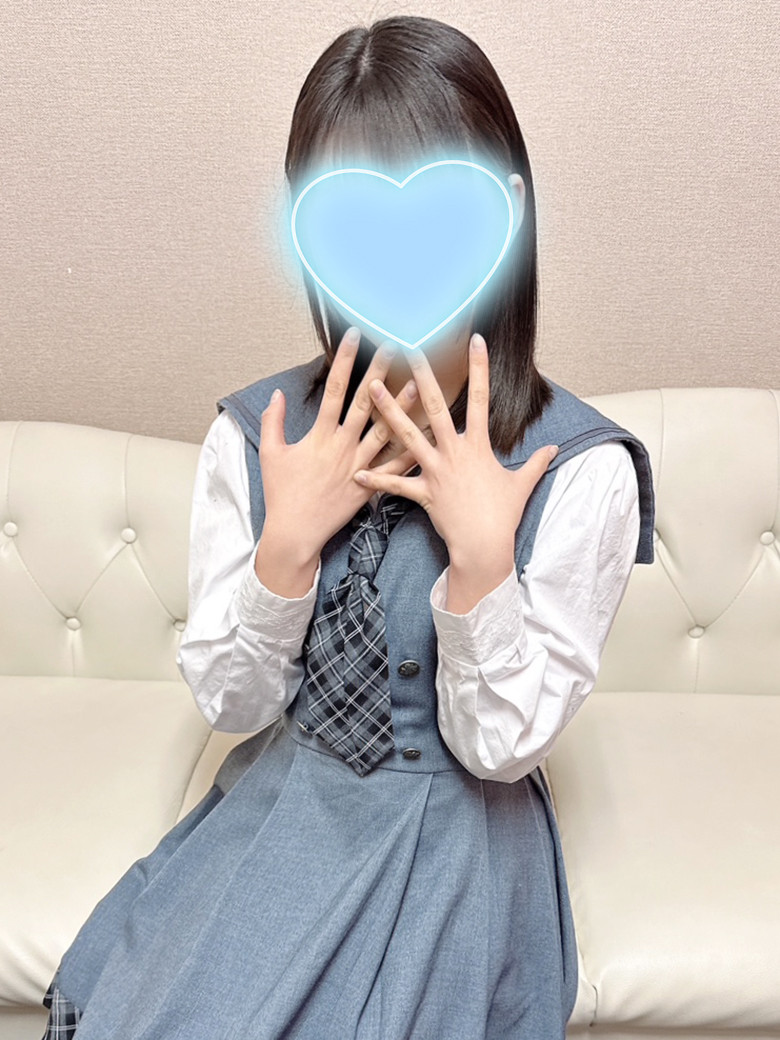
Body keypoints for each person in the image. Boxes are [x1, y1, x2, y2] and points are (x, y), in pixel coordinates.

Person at [41, 14, 655, 1039]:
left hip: (464, 838)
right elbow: (234, 703)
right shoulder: (254, 435)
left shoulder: (581, 468)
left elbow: (500, 748)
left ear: (506, 216)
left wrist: (482, 563)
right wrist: (286, 547)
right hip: (292, 804)